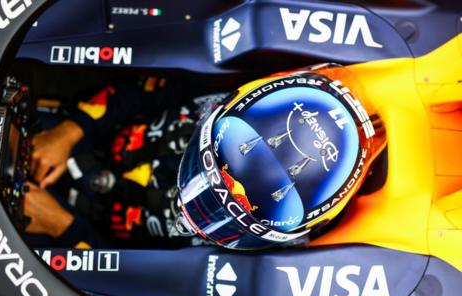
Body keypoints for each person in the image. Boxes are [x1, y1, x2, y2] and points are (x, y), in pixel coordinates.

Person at [25, 65, 387, 249]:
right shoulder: (218, 94)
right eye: (243, 150)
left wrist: (64, 228)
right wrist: (70, 131)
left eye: (271, 192)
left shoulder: (270, 251)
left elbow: (135, 290)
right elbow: (145, 89)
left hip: (82, 236)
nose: (240, 185)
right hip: (82, 138)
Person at [24, 76, 228, 248]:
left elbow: (129, 282)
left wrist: (61, 226)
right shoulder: (229, 103)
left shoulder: (228, 242)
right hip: (86, 137)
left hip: (78, 230)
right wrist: (68, 133)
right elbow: (138, 91)